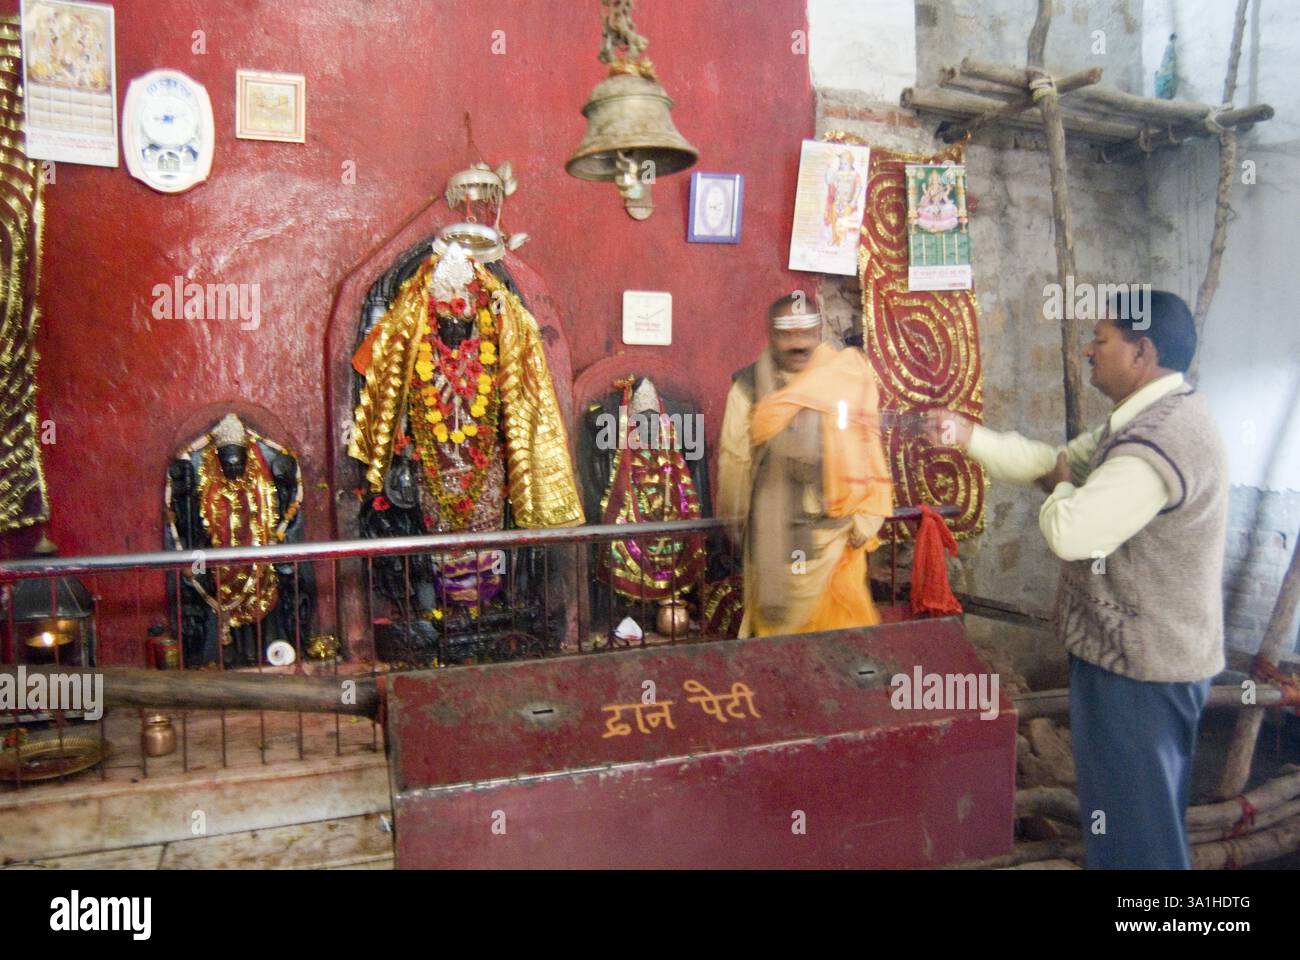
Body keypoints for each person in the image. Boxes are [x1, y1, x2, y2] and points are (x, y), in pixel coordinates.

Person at [925, 290, 1227, 869]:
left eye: (1101, 339)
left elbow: (1072, 531)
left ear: (1141, 352)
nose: (1088, 350)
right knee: (1130, 823)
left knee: (1138, 838)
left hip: (1142, 672)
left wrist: (1064, 485)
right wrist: (966, 436)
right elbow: (1052, 459)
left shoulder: (1159, 441)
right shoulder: (1143, 419)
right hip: (1132, 662)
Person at [718, 293, 893, 638]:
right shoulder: (748, 388)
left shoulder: (845, 376)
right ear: (770, 334)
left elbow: (867, 445)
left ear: (820, 331)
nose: (798, 343)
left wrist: (867, 518)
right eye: (787, 334)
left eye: (806, 333)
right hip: (775, 535)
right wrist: (737, 522)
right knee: (780, 636)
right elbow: (733, 461)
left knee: (841, 637)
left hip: (840, 536)